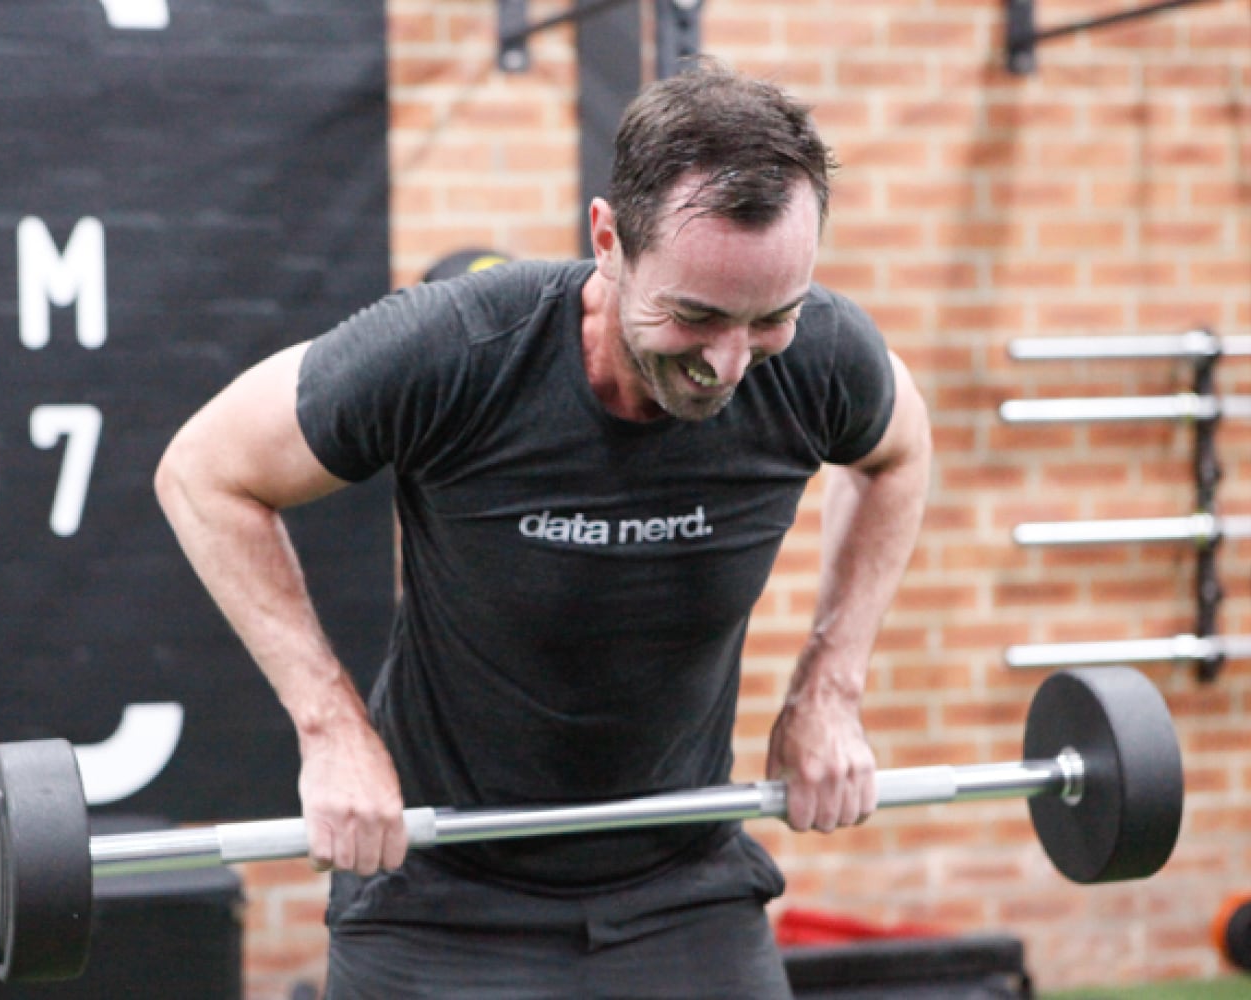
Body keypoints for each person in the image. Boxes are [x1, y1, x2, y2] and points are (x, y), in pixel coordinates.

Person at [155, 58, 931, 999]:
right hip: (441, 892)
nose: (730, 364)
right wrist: (330, 727)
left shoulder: (819, 361)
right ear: (608, 239)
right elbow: (205, 471)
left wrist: (831, 685)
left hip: (683, 887)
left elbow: (899, 453)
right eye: (695, 316)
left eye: (771, 318)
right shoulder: (458, 351)